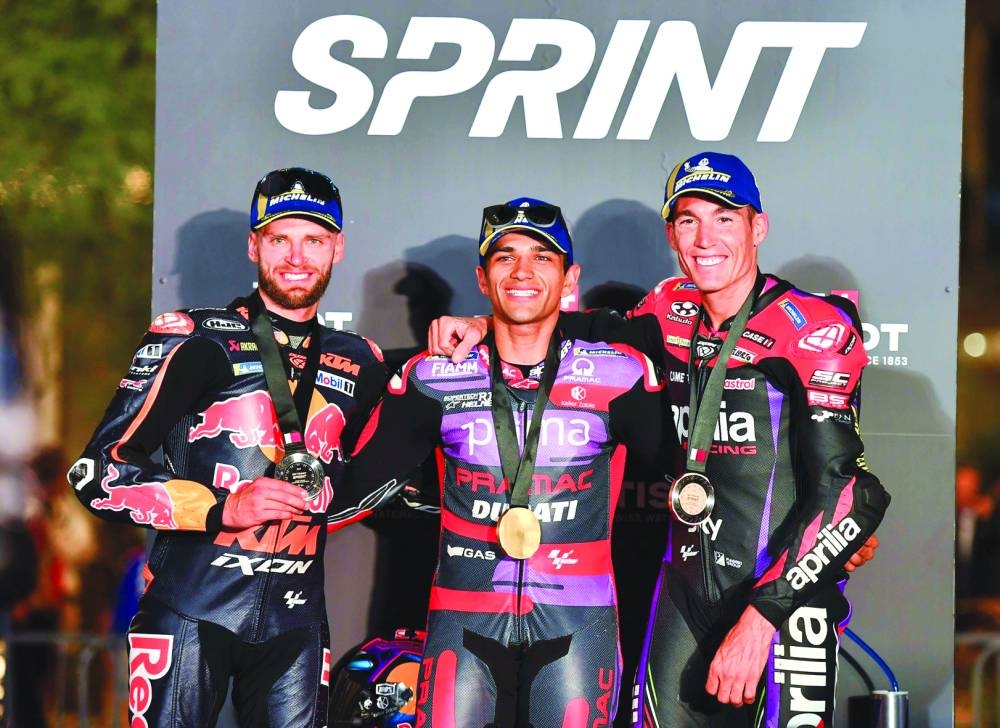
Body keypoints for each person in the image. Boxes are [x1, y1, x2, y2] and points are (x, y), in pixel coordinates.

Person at [428, 153, 890, 727]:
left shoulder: (812, 328)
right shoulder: (669, 310)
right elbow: (577, 330)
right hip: (686, 591)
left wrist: (763, 617)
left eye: (725, 218)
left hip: (784, 605)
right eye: (688, 220)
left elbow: (850, 492)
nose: (705, 238)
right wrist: (483, 326)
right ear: (672, 233)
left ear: (758, 227)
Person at [330, 197, 679, 727]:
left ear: (569, 278)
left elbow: (698, 472)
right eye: (505, 257)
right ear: (483, 276)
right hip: (463, 625)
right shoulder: (434, 375)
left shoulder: (621, 373)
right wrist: (246, 507)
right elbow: (353, 489)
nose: (522, 271)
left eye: (542, 257)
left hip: (579, 627)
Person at [67, 167, 390, 727]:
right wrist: (221, 508)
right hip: (190, 611)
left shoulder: (362, 359)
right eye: (278, 239)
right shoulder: (194, 338)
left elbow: (376, 474)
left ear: (337, 248)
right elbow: (95, 473)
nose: (296, 256)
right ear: (253, 245)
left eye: (313, 240)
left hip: (297, 623)